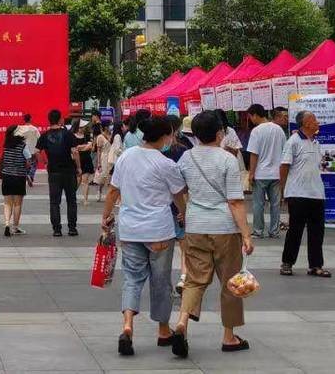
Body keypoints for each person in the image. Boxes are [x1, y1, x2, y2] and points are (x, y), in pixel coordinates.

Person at [171, 110, 255, 358]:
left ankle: (182, 322)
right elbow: (235, 202)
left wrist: (185, 211)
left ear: (194, 134)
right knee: (230, 283)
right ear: (220, 133)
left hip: (196, 226)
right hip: (225, 229)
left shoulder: (186, 158)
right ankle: (229, 336)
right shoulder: (228, 159)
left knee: (195, 279)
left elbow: (179, 189)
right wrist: (246, 234)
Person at [102, 117, 187, 356]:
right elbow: (178, 195)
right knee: (161, 282)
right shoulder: (166, 163)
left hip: (129, 229)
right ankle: (163, 330)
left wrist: (106, 217)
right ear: (163, 137)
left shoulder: (126, 157)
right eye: (170, 135)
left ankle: (128, 325)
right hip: (159, 230)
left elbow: (113, 191)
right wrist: (183, 214)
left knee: (131, 278)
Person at [280, 110, 332, 278]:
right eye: (314, 119)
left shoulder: (316, 143)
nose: (317, 122)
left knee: (317, 232)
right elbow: (284, 166)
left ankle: (315, 265)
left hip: (317, 193)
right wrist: (283, 191)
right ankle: (287, 263)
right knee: (295, 230)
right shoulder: (293, 142)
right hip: (298, 193)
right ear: (306, 123)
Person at [35, 109, 80, 237]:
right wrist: (78, 167)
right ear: (60, 119)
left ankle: (57, 229)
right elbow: (75, 152)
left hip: (53, 171)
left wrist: (44, 163)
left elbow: (37, 151)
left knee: (54, 202)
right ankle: (72, 228)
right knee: (71, 200)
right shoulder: (67, 134)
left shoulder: (45, 135)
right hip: (69, 170)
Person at [246, 104, 287, 239]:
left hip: (260, 173)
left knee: (258, 204)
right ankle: (274, 231)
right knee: (275, 204)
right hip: (276, 173)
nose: (251, 119)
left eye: (250, 117)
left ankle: (258, 231)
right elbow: (284, 152)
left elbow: (254, 154)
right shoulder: (279, 130)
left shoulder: (256, 131)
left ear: (255, 115)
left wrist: (251, 173)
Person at [162, 114, 191, 295]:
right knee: (184, 244)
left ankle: (166, 284)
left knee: (164, 250)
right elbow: (186, 182)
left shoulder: (157, 151)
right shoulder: (184, 150)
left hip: (161, 207)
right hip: (180, 204)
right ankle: (184, 277)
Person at [0, 124, 30, 236]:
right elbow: (28, 161)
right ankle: (15, 227)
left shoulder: (6, 145)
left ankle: (7, 223)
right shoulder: (23, 146)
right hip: (19, 176)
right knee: (17, 204)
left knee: (7, 203)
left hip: (7, 176)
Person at [73, 121, 95, 205]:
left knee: (85, 180)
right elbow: (75, 148)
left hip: (86, 159)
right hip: (77, 160)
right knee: (78, 180)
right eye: (81, 127)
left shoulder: (87, 135)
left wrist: (80, 147)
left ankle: (85, 199)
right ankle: (72, 195)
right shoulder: (72, 136)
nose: (82, 128)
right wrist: (84, 146)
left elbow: (90, 146)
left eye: (83, 127)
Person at [15, 114, 41, 186]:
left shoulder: (21, 129)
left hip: (23, 150)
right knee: (34, 164)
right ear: (30, 119)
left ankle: (26, 175)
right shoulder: (34, 129)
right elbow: (39, 138)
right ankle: (31, 176)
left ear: (24, 120)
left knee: (24, 164)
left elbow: (17, 139)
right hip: (33, 150)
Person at [94, 124, 112, 201]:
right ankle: (99, 191)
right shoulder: (100, 137)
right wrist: (98, 162)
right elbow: (99, 150)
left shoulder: (112, 135)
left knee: (110, 176)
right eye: (109, 126)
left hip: (111, 157)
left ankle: (109, 195)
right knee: (102, 176)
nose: (110, 127)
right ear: (105, 127)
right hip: (104, 157)